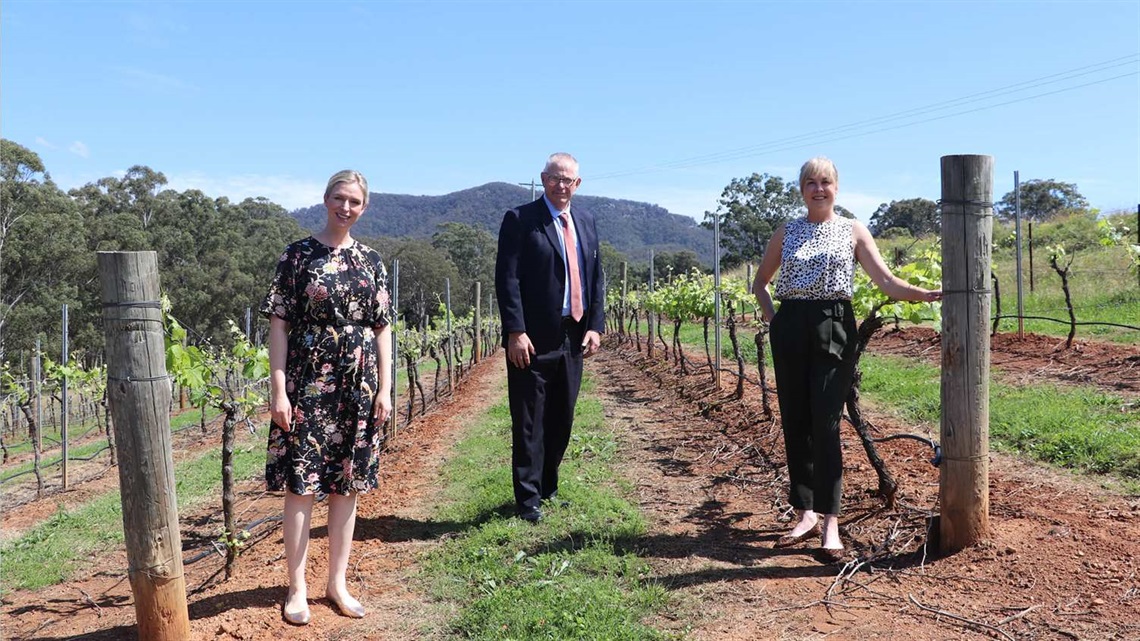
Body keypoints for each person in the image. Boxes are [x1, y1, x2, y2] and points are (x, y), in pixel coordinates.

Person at [752, 156, 940, 563]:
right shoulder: (786, 232)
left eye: (825, 182)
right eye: (810, 183)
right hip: (791, 326)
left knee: (826, 423)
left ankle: (830, 522)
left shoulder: (852, 229)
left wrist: (921, 294)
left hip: (835, 324)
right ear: (801, 189)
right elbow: (760, 283)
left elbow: (885, 280)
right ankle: (804, 513)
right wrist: (776, 323)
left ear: (837, 187)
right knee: (795, 420)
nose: (818, 189)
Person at [261, 169, 393, 624]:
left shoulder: (371, 261)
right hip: (308, 383)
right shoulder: (297, 257)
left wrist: (385, 388)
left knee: (347, 485)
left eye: (354, 201)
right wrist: (279, 390)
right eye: (339, 198)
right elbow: (278, 325)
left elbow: (382, 328)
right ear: (325, 199)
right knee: (302, 487)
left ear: (364, 207)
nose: (346, 207)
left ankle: (337, 583)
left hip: (358, 384)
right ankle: (296, 589)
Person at [494, 152, 606, 523]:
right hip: (533, 336)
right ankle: (527, 500)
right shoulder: (521, 220)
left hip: (573, 335)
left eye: (568, 180)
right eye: (555, 179)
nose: (561, 186)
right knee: (529, 419)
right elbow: (507, 278)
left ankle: (548, 487)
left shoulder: (586, 221)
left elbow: (595, 278)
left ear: (578, 184)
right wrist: (515, 330)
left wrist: (594, 325)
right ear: (543, 180)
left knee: (562, 416)